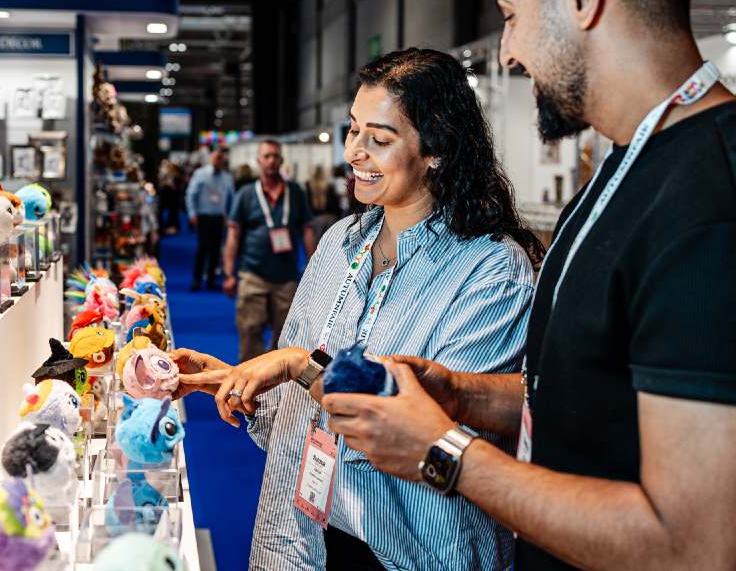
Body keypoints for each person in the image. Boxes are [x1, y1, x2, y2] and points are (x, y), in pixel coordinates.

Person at [317, 0, 736, 570]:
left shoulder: (708, 206)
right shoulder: (627, 172)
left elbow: (694, 545)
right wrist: (463, 394)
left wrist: (445, 452)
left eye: (511, 14)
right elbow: (594, 397)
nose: (507, 51)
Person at [176, 48, 546, 570]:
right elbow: (294, 415)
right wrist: (237, 381)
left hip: (411, 550)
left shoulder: (489, 272)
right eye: (353, 130)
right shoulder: (339, 244)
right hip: (306, 540)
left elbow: (419, 435)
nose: (354, 152)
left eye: (380, 138)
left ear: (435, 149)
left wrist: (300, 366)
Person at [223, 140, 314, 363]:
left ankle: (277, 391)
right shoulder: (245, 194)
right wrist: (228, 273)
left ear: (281, 160)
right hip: (252, 275)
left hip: (287, 278)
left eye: (275, 156)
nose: (271, 161)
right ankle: (248, 390)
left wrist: (315, 269)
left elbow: (307, 231)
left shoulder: (296, 192)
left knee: (286, 339)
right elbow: (233, 235)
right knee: (249, 332)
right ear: (259, 161)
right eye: (267, 156)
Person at [185, 147, 234, 291]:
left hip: (219, 217)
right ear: (211, 157)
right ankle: (196, 280)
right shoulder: (200, 174)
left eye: (221, 158)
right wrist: (192, 213)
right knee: (202, 248)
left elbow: (232, 198)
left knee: (215, 249)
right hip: (203, 216)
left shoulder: (227, 177)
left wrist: (230, 216)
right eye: (217, 157)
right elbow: (190, 194)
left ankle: (211, 280)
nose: (219, 160)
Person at [304, 165, 343, 253]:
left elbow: (307, 205)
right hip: (330, 220)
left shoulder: (309, 186)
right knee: (331, 249)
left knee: (317, 250)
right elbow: (335, 205)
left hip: (315, 221)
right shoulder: (328, 186)